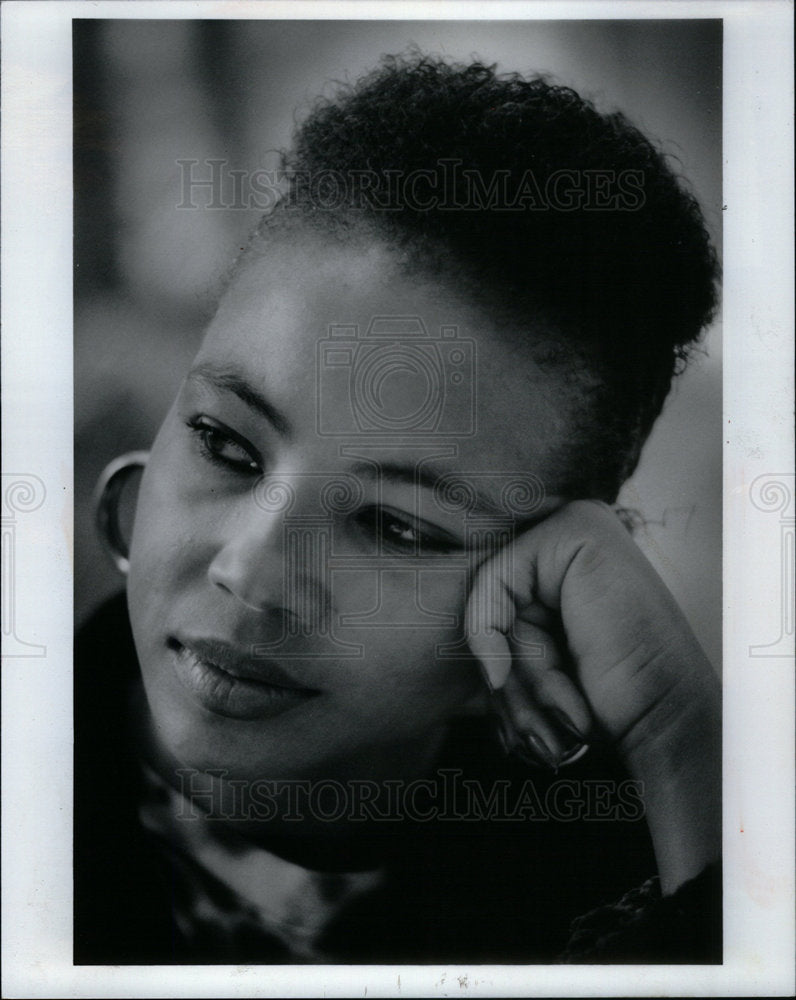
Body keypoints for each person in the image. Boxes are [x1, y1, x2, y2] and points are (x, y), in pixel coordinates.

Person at [74, 52, 722, 965]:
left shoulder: (629, 872)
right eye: (226, 443)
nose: (249, 571)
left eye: (397, 526)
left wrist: (678, 733)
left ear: (534, 582)